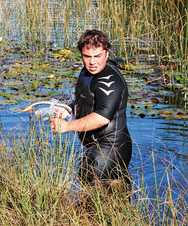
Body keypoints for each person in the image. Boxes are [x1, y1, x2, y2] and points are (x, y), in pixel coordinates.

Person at [50, 29, 132, 188]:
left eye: (97, 56)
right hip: (95, 147)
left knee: (97, 200)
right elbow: (85, 100)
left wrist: (67, 126)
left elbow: (102, 117)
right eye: (87, 56)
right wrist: (68, 109)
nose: (92, 62)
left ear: (107, 53)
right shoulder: (86, 72)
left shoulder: (110, 80)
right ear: (81, 54)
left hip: (111, 148)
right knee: (90, 191)